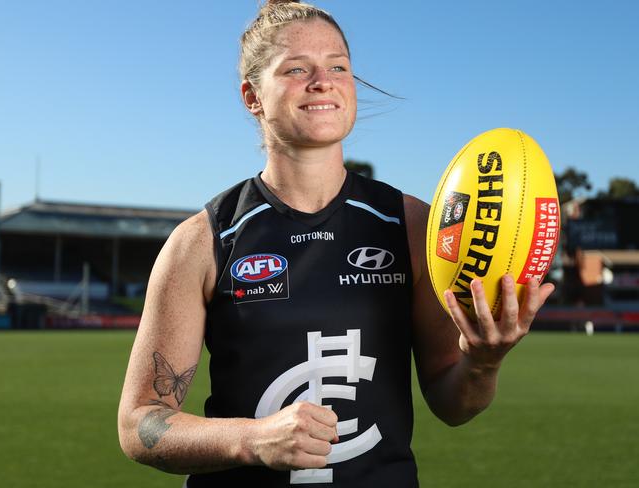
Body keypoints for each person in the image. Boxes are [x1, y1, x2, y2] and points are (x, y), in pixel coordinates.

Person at [117, 1, 554, 486]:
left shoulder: (410, 225)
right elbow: (140, 424)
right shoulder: (203, 240)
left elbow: (453, 405)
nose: (322, 81)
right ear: (252, 97)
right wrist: (252, 439)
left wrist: (483, 362)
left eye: (338, 66)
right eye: (296, 69)